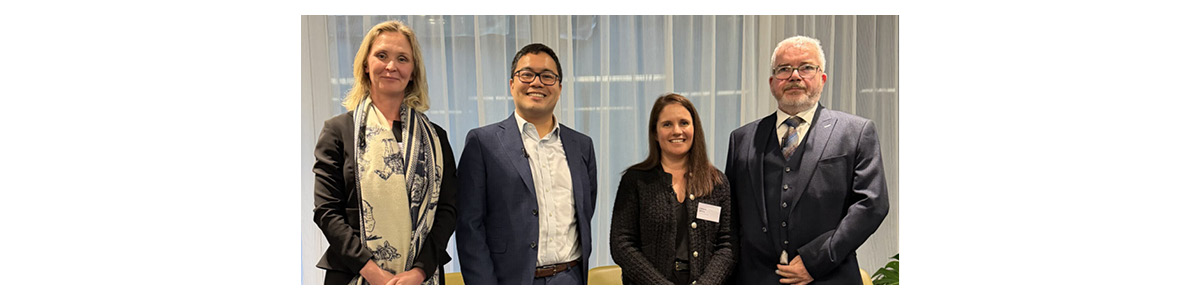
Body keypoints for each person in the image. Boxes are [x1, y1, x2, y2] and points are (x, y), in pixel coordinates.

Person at [725, 35, 889, 285]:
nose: (794, 75)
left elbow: (871, 204)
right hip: (755, 281)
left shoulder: (855, 132)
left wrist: (817, 260)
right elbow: (731, 215)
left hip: (829, 278)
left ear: (822, 78)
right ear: (772, 82)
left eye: (806, 67)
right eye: (784, 69)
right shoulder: (742, 139)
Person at [312, 20, 458, 285]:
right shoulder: (338, 131)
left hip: (421, 278)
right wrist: (372, 271)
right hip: (353, 275)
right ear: (366, 65)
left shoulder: (436, 138)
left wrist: (420, 271)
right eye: (382, 56)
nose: (391, 66)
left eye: (402, 59)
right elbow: (326, 211)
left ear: (413, 72)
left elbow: (448, 211)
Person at [456, 43, 598, 285]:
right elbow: (469, 226)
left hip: (570, 278)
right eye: (527, 74)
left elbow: (586, 209)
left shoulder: (581, 145)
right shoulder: (483, 143)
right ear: (512, 84)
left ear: (560, 87)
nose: (537, 82)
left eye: (547, 76)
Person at [610, 93, 735, 285]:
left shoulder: (717, 183)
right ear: (655, 133)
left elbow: (727, 246)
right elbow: (622, 244)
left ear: (695, 129)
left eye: (684, 123)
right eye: (667, 124)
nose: (677, 131)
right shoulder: (635, 180)